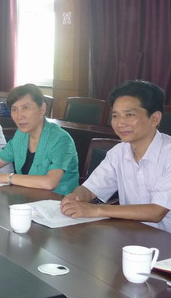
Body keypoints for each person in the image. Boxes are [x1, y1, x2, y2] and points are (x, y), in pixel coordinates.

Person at [61, 80, 171, 231]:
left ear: (155, 118)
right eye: (115, 115)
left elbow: (156, 212)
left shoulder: (168, 153)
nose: (120, 123)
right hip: (132, 234)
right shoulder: (118, 152)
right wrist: (77, 197)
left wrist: (95, 210)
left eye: (129, 115)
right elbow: (91, 189)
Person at [0, 84, 79, 195]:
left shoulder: (61, 140)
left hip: (58, 201)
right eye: (14, 109)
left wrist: (7, 177)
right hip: (28, 198)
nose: (19, 116)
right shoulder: (21, 135)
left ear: (42, 108)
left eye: (25, 108)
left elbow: (50, 182)